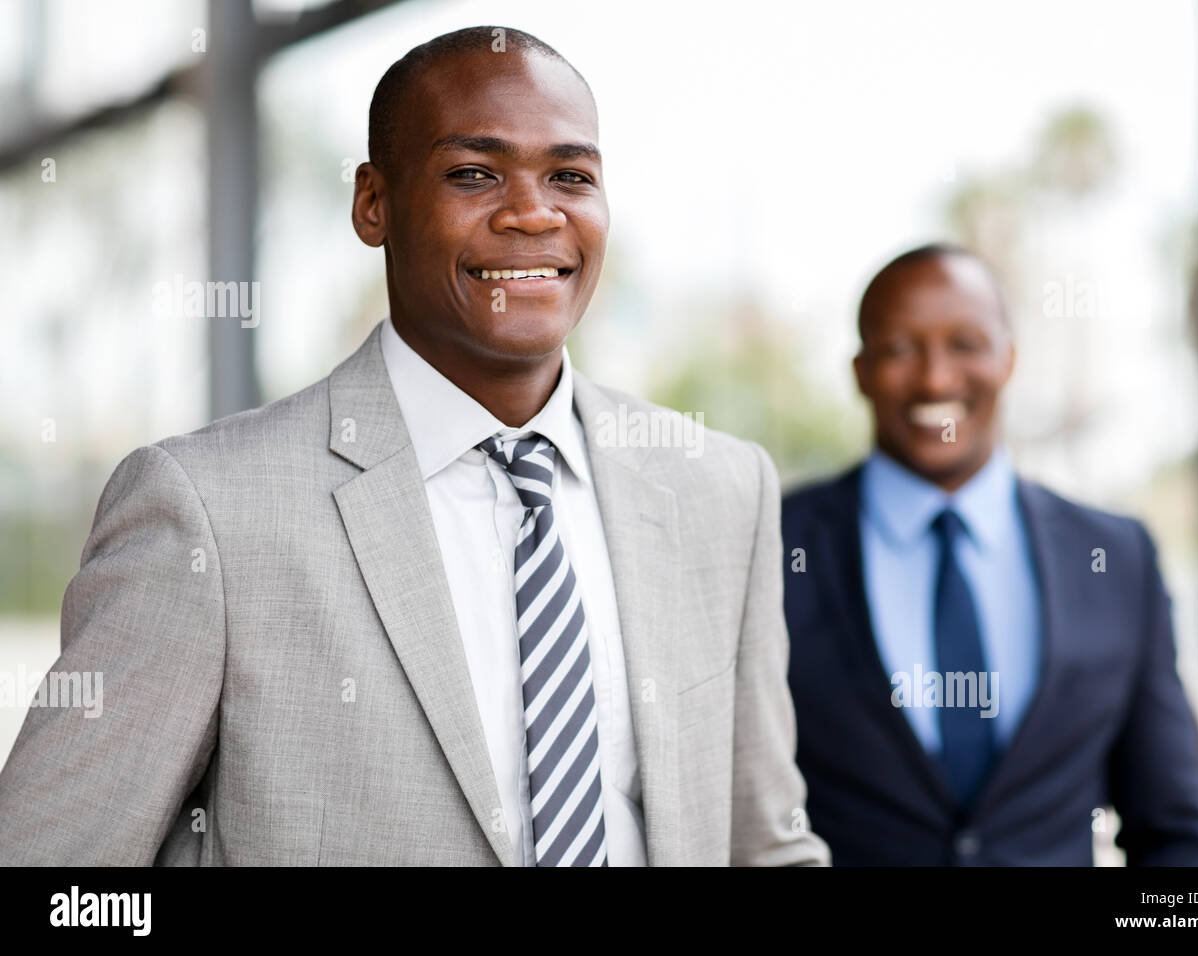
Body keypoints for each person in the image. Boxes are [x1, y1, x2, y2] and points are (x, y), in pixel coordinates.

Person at [0, 26, 827, 868]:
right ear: (374, 203)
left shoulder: (720, 491)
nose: (534, 212)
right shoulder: (206, 511)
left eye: (570, 176)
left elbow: (765, 844)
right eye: (474, 173)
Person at [782, 242, 1198, 865]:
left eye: (965, 344)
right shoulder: (773, 547)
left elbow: (1175, 830)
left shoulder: (1115, 559)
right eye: (901, 348)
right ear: (860, 370)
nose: (936, 378)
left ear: (1009, 359)